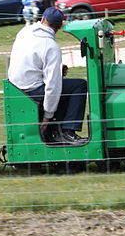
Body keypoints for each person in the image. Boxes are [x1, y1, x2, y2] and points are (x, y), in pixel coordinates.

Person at [8, 7, 87, 144]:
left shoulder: (24, 31)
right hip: (32, 89)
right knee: (79, 85)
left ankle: (57, 130)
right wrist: (47, 116)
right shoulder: (51, 46)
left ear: (43, 19)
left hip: (14, 85)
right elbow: (53, 86)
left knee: (63, 85)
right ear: (59, 26)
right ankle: (67, 131)